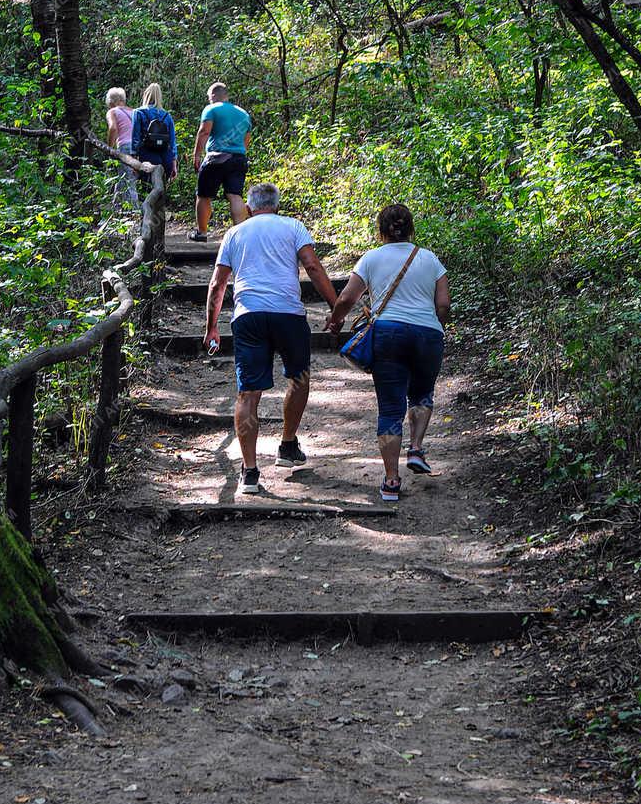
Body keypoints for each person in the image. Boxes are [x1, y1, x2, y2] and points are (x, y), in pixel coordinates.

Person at [204, 183, 339, 495]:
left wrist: (212, 326)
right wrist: (336, 308)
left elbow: (217, 283)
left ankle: (250, 472)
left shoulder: (235, 233)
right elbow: (313, 267)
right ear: (277, 206)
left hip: (248, 317)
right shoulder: (293, 226)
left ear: (249, 208)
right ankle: (287, 444)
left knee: (248, 394)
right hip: (288, 315)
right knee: (299, 378)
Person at [326, 204, 450, 502]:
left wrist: (336, 319)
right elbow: (443, 304)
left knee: (390, 408)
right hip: (428, 334)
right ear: (411, 229)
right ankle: (417, 449)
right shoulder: (431, 260)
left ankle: (392, 482)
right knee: (421, 394)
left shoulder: (371, 258)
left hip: (388, 334)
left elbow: (346, 297)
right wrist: (434, 327)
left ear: (381, 231)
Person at [190, 81, 251, 241]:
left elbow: (204, 132)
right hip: (239, 158)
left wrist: (196, 155)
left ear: (213, 95)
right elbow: (246, 139)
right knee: (235, 195)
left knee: (204, 196)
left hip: (216, 158)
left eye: (209, 97)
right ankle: (239, 234)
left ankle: (202, 233)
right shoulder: (243, 113)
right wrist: (239, 154)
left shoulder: (211, 109)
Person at [130, 82, 178, 181]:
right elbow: (172, 141)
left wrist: (134, 161)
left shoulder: (138, 112)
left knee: (148, 188)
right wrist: (174, 165)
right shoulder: (167, 115)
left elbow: (135, 139)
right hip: (166, 156)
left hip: (147, 155)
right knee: (162, 189)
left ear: (146, 95)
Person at [104, 87, 139, 209]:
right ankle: (117, 210)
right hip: (137, 148)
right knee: (123, 178)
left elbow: (113, 128)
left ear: (111, 101)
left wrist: (109, 148)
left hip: (124, 147)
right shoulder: (134, 112)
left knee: (128, 180)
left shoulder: (112, 112)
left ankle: (135, 212)